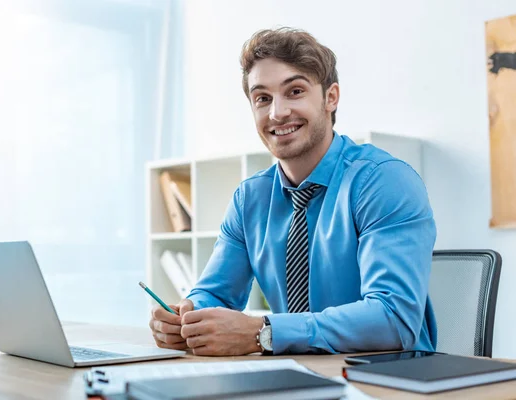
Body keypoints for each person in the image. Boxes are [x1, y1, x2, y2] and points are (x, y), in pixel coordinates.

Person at [149, 27, 437, 356]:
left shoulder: (383, 182)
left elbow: (393, 319)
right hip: (295, 375)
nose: (277, 112)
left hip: (388, 379)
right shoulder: (250, 199)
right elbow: (214, 295)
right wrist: (186, 317)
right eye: (262, 98)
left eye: (295, 91)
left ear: (331, 97)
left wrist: (264, 333)